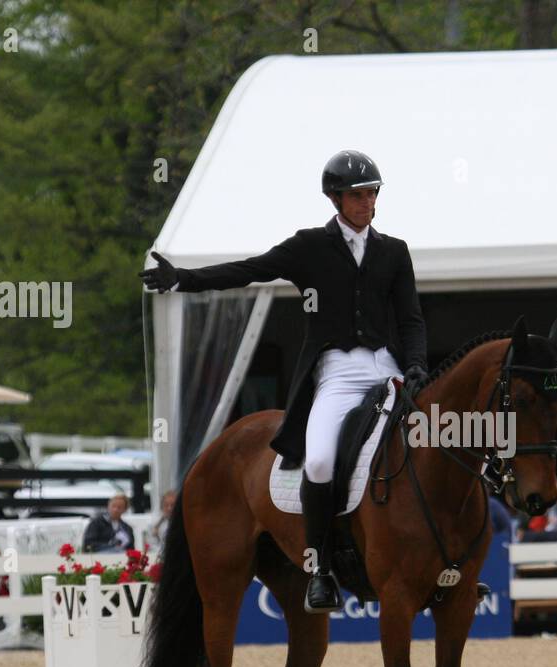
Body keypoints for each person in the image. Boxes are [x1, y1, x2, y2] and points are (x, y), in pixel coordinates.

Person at [141, 149, 427, 615]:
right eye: (357, 195)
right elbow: (250, 270)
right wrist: (183, 281)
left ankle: (446, 561)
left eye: (372, 193)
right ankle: (320, 570)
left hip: (387, 367)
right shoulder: (310, 247)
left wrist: (415, 364)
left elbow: (411, 319)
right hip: (337, 371)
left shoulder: (394, 251)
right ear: (336, 198)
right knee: (317, 462)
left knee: (431, 446)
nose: (367, 203)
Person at [148, 490, 177, 554]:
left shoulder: (184, 524)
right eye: (166, 505)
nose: (169, 508)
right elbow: (152, 545)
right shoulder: (154, 524)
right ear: (162, 506)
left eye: (172, 505)